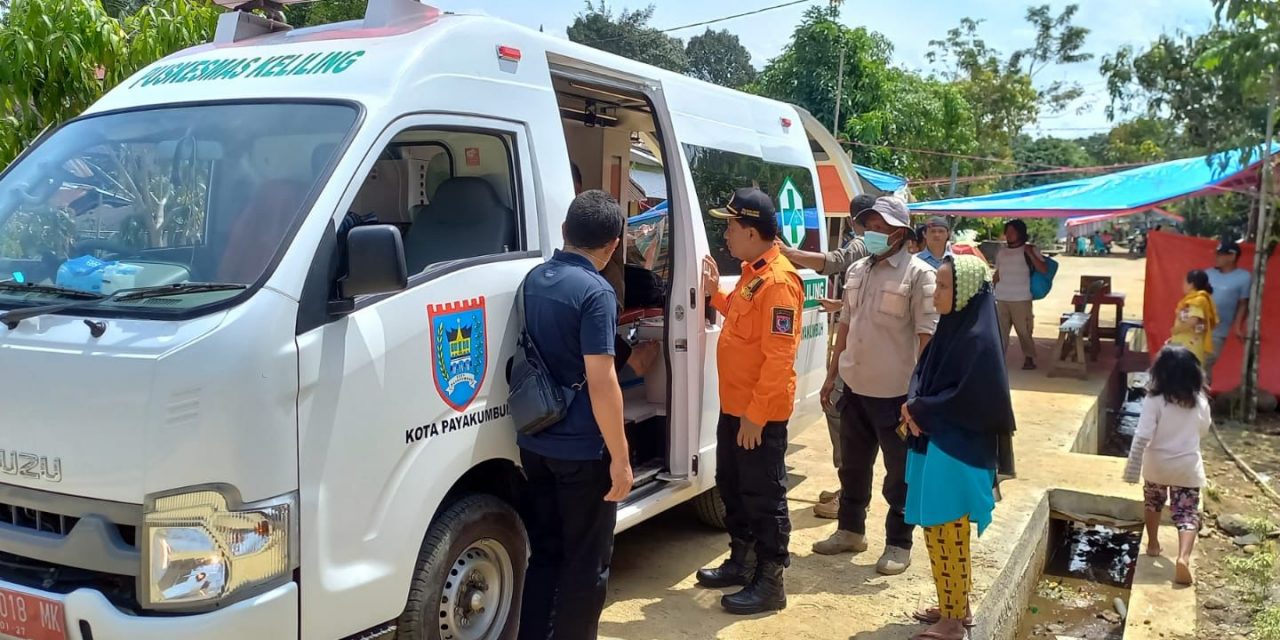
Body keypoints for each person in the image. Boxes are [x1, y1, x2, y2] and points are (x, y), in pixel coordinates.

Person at [517, 190, 633, 640]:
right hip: (583, 451)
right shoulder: (596, 292)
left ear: (565, 231)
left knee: (545, 554)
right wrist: (621, 459)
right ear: (614, 244)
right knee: (587, 564)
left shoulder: (533, 278)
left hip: (535, 440)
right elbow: (602, 380)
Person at [812, 196, 939, 576]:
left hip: (897, 396)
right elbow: (845, 327)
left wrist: (918, 397)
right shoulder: (857, 271)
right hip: (854, 388)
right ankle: (850, 530)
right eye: (869, 226)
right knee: (852, 467)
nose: (871, 233)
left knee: (899, 475)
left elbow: (926, 338)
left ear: (900, 233)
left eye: (881, 228)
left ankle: (898, 544)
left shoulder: (919, 276)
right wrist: (833, 373)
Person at [696, 187, 805, 615]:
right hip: (735, 409)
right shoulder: (753, 272)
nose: (726, 235)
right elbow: (743, 320)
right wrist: (712, 296)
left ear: (752, 230)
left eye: (731, 226)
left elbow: (779, 358)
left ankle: (770, 581)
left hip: (759, 415)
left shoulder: (779, 281)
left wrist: (756, 417)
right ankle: (741, 561)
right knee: (733, 487)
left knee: (764, 496)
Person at [901, 254, 1017, 639]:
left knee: (945, 529)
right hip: (938, 442)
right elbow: (924, 373)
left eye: (946, 286)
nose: (937, 295)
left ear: (966, 291)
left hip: (957, 451)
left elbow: (970, 398)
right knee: (938, 530)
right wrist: (914, 405)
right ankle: (954, 604)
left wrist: (921, 408)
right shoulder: (953, 329)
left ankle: (952, 622)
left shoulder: (978, 341)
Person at [781, 193, 877, 518]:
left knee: (838, 409)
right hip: (868, 350)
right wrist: (840, 306)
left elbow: (832, 262)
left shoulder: (862, 244)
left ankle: (849, 493)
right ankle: (850, 488)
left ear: (853, 221)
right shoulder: (880, 248)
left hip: (861, 353)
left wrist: (788, 252)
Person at [1123, 345, 1212, 586]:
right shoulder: (1200, 401)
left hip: (1157, 464)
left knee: (1153, 503)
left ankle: (1153, 544)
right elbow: (1203, 430)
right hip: (1187, 465)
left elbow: (1142, 435)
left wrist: (1132, 469)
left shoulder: (1155, 400)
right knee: (1187, 514)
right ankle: (1183, 558)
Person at [993, 219, 1047, 371]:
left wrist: (1030, 253)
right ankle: (999, 360)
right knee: (1000, 332)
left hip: (1021, 298)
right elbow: (998, 273)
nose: (1009, 235)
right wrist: (991, 288)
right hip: (1001, 297)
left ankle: (1029, 357)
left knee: (1024, 331)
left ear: (1020, 233)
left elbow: (1043, 269)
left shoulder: (1029, 250)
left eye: (1012, 232)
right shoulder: (1002, 252)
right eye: (1007, 232)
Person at [1203, 239, 1251, 383]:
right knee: (1194, 363)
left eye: (1221, 254)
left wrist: (1237, 327)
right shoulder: (1207, 274)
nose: (1216, 257)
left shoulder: (1244, 277)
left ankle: (1200, 398)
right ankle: (1197, 398)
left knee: (1206, 362)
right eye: (1216, 254)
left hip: (1218, 331)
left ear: (1232, 256)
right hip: (1198, 327)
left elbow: (1243, 303)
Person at [1168, 270, 1219, 365]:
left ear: (1191, 284)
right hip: (1183, 345)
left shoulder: (1198, 301)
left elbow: (1193, 320)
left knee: (1188, 374)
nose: (1183, 285)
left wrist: (1176, 330)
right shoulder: (1192, 299)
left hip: (1191, 348)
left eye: (1184, 282)